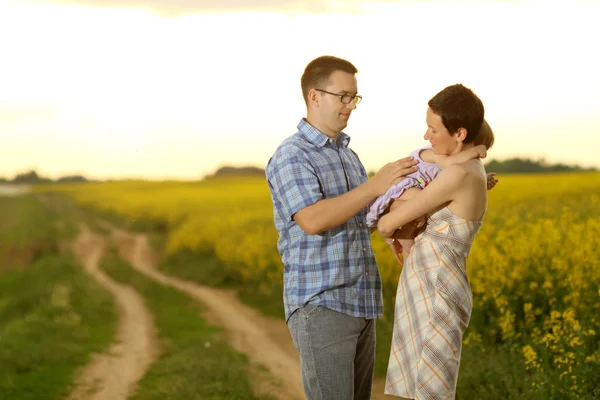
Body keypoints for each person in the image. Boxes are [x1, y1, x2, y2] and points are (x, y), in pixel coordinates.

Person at [265, 55, 420, 400]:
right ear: (314, 96)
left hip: (361, 301)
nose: (351, 106)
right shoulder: (293, 155)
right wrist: (376, 185)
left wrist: (448, 187)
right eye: (343, 96)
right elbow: (313, 219)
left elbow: (366, 213)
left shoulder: (347, 155)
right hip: (323, 302)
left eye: (355, 97)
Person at [378, 83, 492, 399]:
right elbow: (429, 160)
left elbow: (389, 222)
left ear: (460, 133)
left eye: (433, 129)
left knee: (432, 390)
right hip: (429, 281)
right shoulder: (464, 167)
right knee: (420, 386)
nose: (426, 136)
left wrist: (390, 222)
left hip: (436, 285)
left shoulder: (459, 175)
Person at [367, 120, 498, 262]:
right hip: (400, 187)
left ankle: (405, 244)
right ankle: (402, 241)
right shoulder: (434, 153)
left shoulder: (452, 167)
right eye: (472, 154)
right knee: (423, 203)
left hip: (407, 192)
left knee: (414, 227)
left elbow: (452, 184)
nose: (473, 159)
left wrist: (480, 181)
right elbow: (450, 167)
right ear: (461, 138)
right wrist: (475, 151)